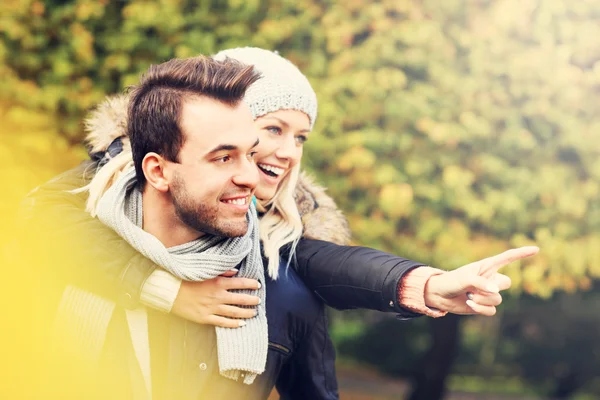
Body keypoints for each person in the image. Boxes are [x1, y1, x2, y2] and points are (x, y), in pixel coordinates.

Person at [22, 48, 538, 399]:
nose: (286, 153)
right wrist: (167, 291)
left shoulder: (279, 259)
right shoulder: (100, 196)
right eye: (272, 129)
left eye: (301, 137)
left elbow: (329, 265)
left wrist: (424, 283)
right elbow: (41, 218)